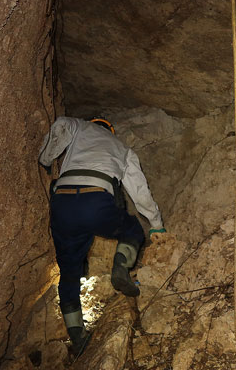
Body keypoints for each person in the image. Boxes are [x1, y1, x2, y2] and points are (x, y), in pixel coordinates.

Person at [38, 116, 165, 355]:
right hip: (95, 199)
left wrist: (45, 158)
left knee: (69, 273)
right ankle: (120, 268)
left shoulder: (80, 127)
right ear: (111, 131)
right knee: (132, 229)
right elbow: (140, 193)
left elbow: (63, 124)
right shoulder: (122, 149)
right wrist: (156, 224)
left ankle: (77, 335)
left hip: (62, 204)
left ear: (92, 123)